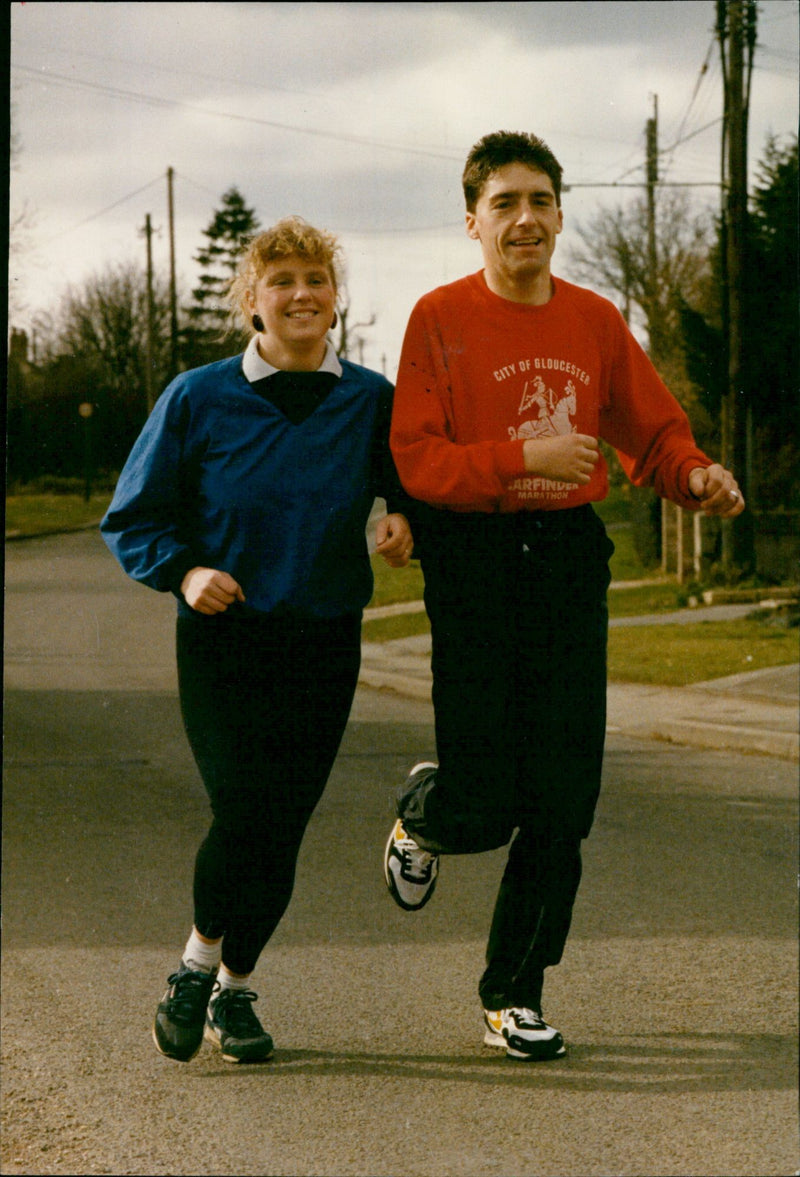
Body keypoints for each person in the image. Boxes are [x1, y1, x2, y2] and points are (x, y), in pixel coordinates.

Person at [383, 131, 745, 1062]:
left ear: (558, 215)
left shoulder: (594, 319)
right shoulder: (438, 318)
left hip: (566, 560)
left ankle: (513, 992)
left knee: (563, 794)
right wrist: (524, 457)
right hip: (474, 560)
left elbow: (652, 432)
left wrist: (695, 475)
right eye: (504, 203)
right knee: (484, 797)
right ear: (472, 221)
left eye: (540, 200)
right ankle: (427, 811)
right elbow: (417, 461)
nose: (525, 218)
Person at [101, 216, 414, 1064]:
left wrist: (402, 518)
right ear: (252, 301)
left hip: (324, 640)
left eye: (316, 279)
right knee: (244, 808)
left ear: (336, 299)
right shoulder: (197, 396)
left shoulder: (371, 399)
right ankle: (194, 969)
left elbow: (412, 482)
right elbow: (131, 516)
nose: (301, 294)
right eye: (282, 281)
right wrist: (183, 571)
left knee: (284, 826)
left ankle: (233, 990)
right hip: (225, 641)